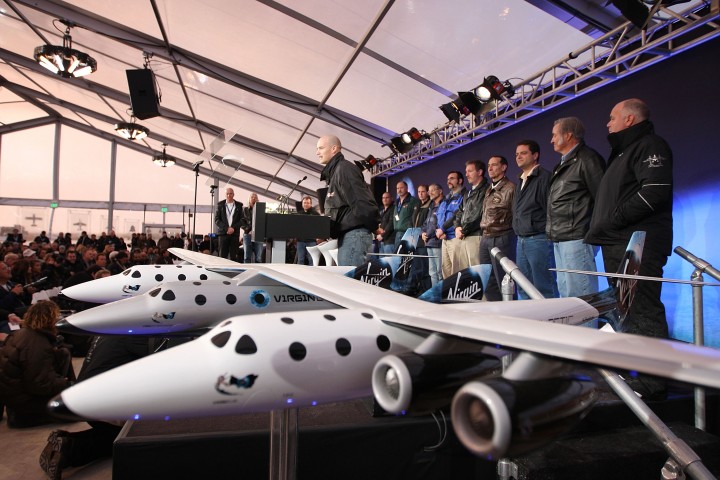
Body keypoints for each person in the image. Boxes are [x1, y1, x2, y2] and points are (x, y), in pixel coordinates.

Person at [586, 99, 673, 343]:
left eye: (612, 118)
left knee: (642, 310)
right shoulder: (624, 152)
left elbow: (654, 191)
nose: (607, 123)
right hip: (619, 241)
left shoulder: (649, 145)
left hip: (637, 245)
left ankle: (649, 380)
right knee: (626, 311)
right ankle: (634, 374)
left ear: (629, 119)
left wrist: (613, 219)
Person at [39, 335, 153, 480]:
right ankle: (70, 449)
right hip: (101, 403)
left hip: (85, 401)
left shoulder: (109, 331)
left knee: (115, 435)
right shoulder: (136, 336)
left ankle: (66, 444)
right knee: (143, 431)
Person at [547, 117, 606, 298]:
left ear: (569, 135)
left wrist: (592, 233)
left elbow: (603, 198)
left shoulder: (588, 159)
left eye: (555, 135)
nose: (552, 140)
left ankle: (586, 328)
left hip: (578, 238)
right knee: (567, 295)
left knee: (581, 296)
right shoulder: (564, 163)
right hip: (561, 238)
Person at [0, 300, 74, 428]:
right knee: (80, 409)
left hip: (14, 399)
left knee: (63, 353)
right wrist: (66, 383)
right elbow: (40, 384)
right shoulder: (38, 343)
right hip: (25, 403)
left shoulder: (22, 334)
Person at [317, 135, 379, 267]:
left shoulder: (344, 169)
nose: (317, 152)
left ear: (334, 149)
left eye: (321, 148)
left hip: (355, 235)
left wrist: (374, 226)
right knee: (348, 282)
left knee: (350, 283)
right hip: (349, 235)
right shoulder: (337, 171)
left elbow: (360, 201)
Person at [512, 140, 558, 299]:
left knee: (544, 287)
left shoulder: (545, 177)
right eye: (517, 154)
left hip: (539, 239)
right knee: (524, 286)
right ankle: (529, 322)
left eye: (523, 153)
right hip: (521, 240)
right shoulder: (520, 180)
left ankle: (550, 322)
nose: (518, 157)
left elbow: (551, 209)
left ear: (535, 155)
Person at [479, 156, 516, 301]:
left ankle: (510, 314)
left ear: (504, 167)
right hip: (485, 237)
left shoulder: (510, 188)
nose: (490, 168)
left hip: (501, 238)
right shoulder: (489, 188)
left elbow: (515, 214)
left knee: (504, 280)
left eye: (494, 165)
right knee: (488, 279)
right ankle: (494, 311)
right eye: (489, 165)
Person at [452, 160, 488, 273]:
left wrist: (463, 230)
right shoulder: (468, 193)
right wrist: (457, 227)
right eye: (466, 171)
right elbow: (459, 212)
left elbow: (479, 214)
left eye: (470, 171)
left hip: (476, 236)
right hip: (464, 236)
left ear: (480, 172)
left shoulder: (486, 190)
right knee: (465, 273)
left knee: (477, 272)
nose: (466, 174)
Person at [435, 171, 466, 279]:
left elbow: (457, 215)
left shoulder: (464, 196)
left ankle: (458, 295)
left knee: (457, 272)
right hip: (444, 239)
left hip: (455, 239)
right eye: (448, 179)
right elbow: (439, 216)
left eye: (452, 178)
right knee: (446, 272)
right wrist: (439, 230)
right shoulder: (445, 199)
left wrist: (443, 229)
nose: (449, 181)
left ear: (460, 180)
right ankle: (448, 295)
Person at [421, 183, 444, 286]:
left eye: (433, 190)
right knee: (432, 272)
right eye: (429, 190)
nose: (430, 192)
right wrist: (423, 233)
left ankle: (441, 295)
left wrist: (431, 234)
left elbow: (441, 224)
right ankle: (435, 294)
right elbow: (426, 223)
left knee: (440, 272)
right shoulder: (431, 205)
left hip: (438, 242)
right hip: (429, 242)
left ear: (440, 191)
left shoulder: (443, 204)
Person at [214, 188, 243, 261]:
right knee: (222, 256)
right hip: (223, 234)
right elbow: (217, 219)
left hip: (234, 234)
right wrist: (227, 228)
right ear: (225, 195)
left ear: (233, 194)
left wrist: (233, 228)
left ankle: (234, 272)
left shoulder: (239, 205)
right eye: (227, 194)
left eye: (230, 193)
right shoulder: (220, 205)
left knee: (234, 256)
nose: (229, 195)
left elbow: (242, 220)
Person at [391, 181, 420, 252]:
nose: (399, 190)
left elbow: (415, 217)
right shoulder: (396, 202)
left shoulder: (413, 201)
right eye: (397, 188)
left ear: (407, 188)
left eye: (401, 188)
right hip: (398, 233)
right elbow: (395, 216)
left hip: (408, 233)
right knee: (397, 256)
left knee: (406, 257)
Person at [296, 196, 320, 265]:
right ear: (302, 204)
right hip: (300, 240)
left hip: (311, 240)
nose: (306, 204)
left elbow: (319, 227)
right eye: (304, 203)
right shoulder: (299, 214)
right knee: (300, 260)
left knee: (311, 259)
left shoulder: (315, 214)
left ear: (311, 204)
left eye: (307, 203)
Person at [242, 193, 264, 263]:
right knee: (247, 257)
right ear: (249, 199)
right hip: (247, 235)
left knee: (258, 258)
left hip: (258, 235)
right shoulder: (244, 210)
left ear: (258, 200)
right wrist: (248, 230)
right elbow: (241, 222)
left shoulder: (261, 210)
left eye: (255, 197)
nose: (254, 199)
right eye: (252, 197)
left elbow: (263, 222)